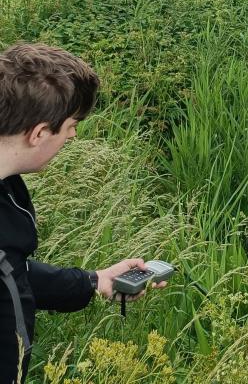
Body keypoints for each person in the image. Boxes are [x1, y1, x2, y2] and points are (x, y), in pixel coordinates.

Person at [0, 43, 165, 384]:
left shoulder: (7, 189)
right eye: (72, 125)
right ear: (40, 133)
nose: (73, 135)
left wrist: (94, 282)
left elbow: (9, 274)